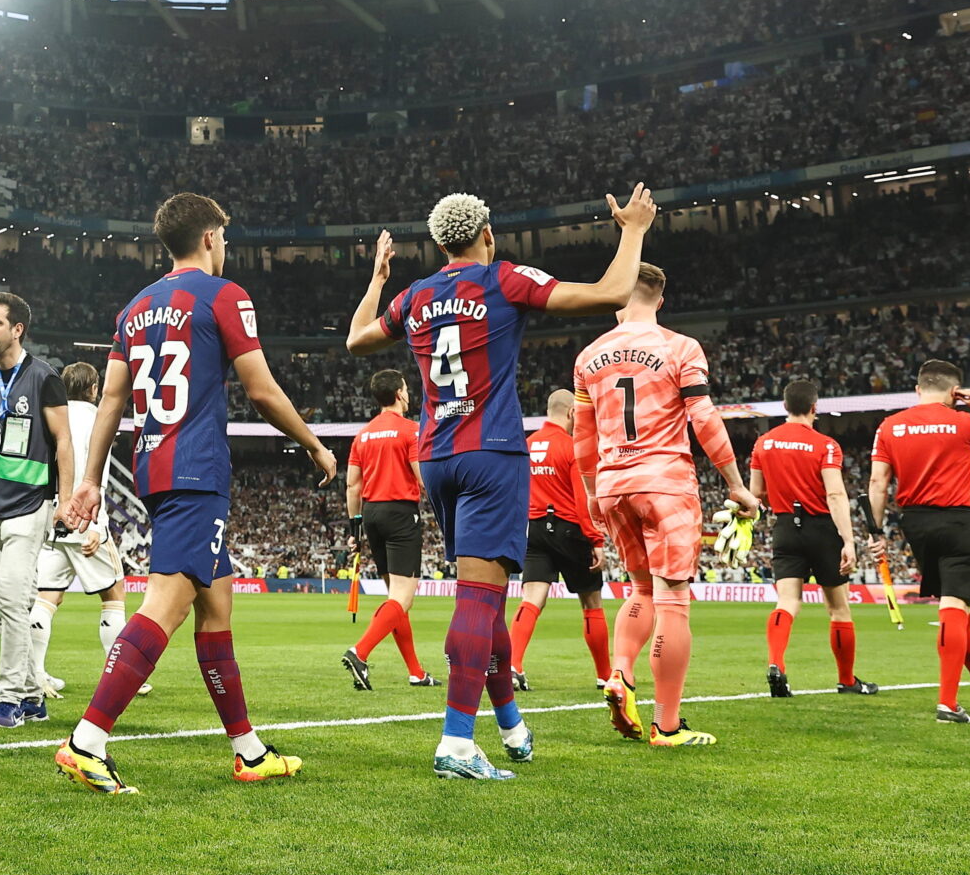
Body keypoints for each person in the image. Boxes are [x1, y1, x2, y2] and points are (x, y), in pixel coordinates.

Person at [345, 186, 659, 782]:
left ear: (440, 245)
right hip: (490, 453)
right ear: (487, 235)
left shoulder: (414, 296)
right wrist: (635, 231)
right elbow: (612, 292)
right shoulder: (503, 279)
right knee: (478, 599)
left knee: (484, 600)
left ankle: (511, 724)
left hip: (436, 457)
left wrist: (379, 278)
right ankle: (457, 743)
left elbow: (357, 338)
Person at [56, 193, 338, 797]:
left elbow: (111, 401)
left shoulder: (134, 308)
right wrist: (314, 443)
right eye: (225, 236)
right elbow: (260, 391)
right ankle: (87, 740)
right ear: (210, 236)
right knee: (167, 603)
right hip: (196, 469)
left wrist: (89, 479)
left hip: (154, 464)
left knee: (217, 608)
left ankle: (249, 751)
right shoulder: (225, 295)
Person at [573, 261, 759, 750]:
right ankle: (668, 725)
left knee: (639, 589)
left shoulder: (589, 357)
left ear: (618, 296)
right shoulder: (680, 347)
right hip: (665, 483)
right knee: (673, 599)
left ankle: (620, 672)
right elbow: (704, 416)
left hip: (613, 484)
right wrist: (736, 486)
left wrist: (593, 494)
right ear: (661, 298)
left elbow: (582, 438)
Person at [868, 361, 970, 724]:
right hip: (958, 521)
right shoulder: (964, 421)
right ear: (956, 393)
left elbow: (877, 484)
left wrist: (876, 534)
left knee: (959, 613)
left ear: (918, 388)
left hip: (915, 525)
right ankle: (947, 703)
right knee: (954, 607)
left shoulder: (889, 426)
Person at [0, 291, 71, 729]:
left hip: (27, 504)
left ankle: (9, 699)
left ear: (17, 329)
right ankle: (32, 694)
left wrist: (65, 498)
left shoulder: (44, 377)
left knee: (11, 598)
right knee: (11, 604)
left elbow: (63, 441)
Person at [749, 379, 877, 697]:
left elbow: (755, 495)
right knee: (838, 609)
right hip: (821, 528)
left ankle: (777, 663)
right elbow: (834, 493)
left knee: (788, 601)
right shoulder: (826, 445)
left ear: (785, 406)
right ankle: (847, 680)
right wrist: (848, 540)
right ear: (814, 408)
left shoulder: (763, 443)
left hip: (784, 528)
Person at [32, 360, 127, 697]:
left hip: (52, 517)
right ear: (94, 388)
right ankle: (120, 675)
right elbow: (95, 473)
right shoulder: (99, 418)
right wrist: (98, 524)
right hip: (86, 517)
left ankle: (36, 674)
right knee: (114, 593)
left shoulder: (52, 415)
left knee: (47, 596)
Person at [509, 388, 612, 694]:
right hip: (568, 529)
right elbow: (583, 499)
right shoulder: (571, 447)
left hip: (534, 528)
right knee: (591, 601)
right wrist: (596, 540)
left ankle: (513, 665)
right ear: (570, 413)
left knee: (532, 598)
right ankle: (605, 675)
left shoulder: (527, 446)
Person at [338, 367, 433, 691]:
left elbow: (352, 485)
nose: (408, 394)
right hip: (401, 512)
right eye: (406, 389)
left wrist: (355, 527)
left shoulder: (362, 435)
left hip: (372, 514)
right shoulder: (410, 430)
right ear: (399, 394)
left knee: (396, 596)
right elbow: (422, 477)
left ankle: (416, 672)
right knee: (403, 598)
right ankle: (360, 651)